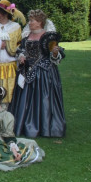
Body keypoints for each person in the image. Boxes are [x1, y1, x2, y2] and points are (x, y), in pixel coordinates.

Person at [9, 10, 66, 138]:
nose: (29, 23)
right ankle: (24, 124)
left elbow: (57, 53)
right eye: (29, 20)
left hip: (43, 73)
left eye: (32, 21)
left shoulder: (48, 37)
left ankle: (43, 126)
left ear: (39, 22)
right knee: (25, 99)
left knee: (43, 99)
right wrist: (21, 56)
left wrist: (55, 52)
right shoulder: (27, 36)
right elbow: (20, 50)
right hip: (26, 70)